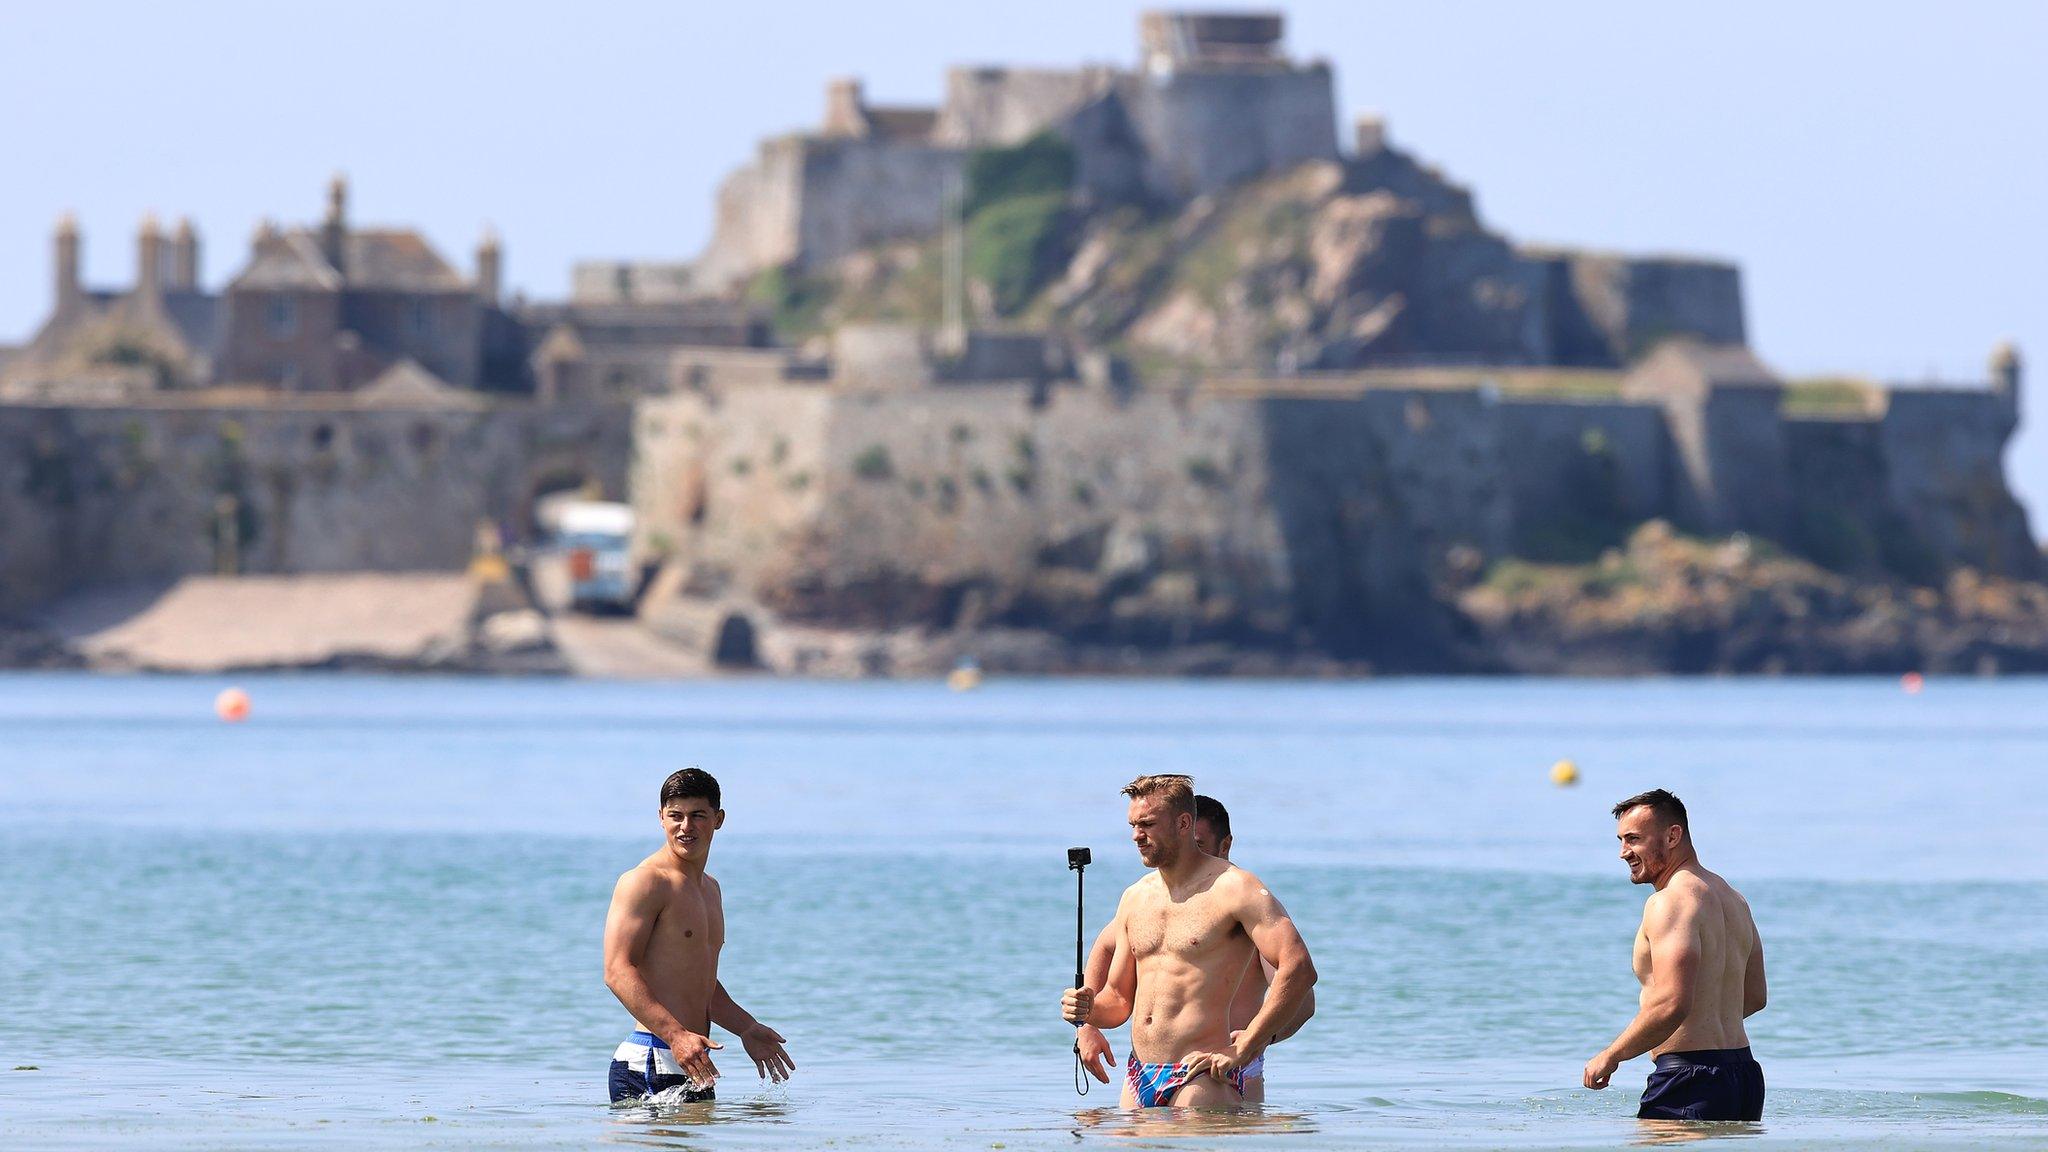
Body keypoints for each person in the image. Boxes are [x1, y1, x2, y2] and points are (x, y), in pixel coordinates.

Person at [1061, 775, 1316, 1109]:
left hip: (1201, 1075)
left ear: (1183, 823)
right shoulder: (1135, 897)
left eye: (1148, 824)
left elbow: (1298, 969)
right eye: (1133, 825)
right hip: (1140, 1074)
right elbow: (1120, 998)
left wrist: (1247, 1045)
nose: (1137, 836)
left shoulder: (1235, 888)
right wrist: (1088, 1012)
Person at [602, 768, 795, 1102]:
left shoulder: (710, 890)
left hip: (692, 1062)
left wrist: (746, 1027)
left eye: (698, 816)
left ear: (718, 819)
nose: (685, 827)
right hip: (652, 1061)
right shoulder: (645, 882)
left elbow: (698, 981)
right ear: (661, 817)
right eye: (675, 816)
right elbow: (617, 971)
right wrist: (676, 1035)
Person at [1583, 789, 1767, 1121]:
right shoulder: (1734, 899)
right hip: (1744, 1076)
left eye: (1634, 839)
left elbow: (1672, 1004)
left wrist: (1611, 1055)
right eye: (1621, 840)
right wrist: (1710, 1022)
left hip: (1689, 1079)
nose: (1624, 852)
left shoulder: (1669, 902)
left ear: (1672, 835)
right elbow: (1754, 997)